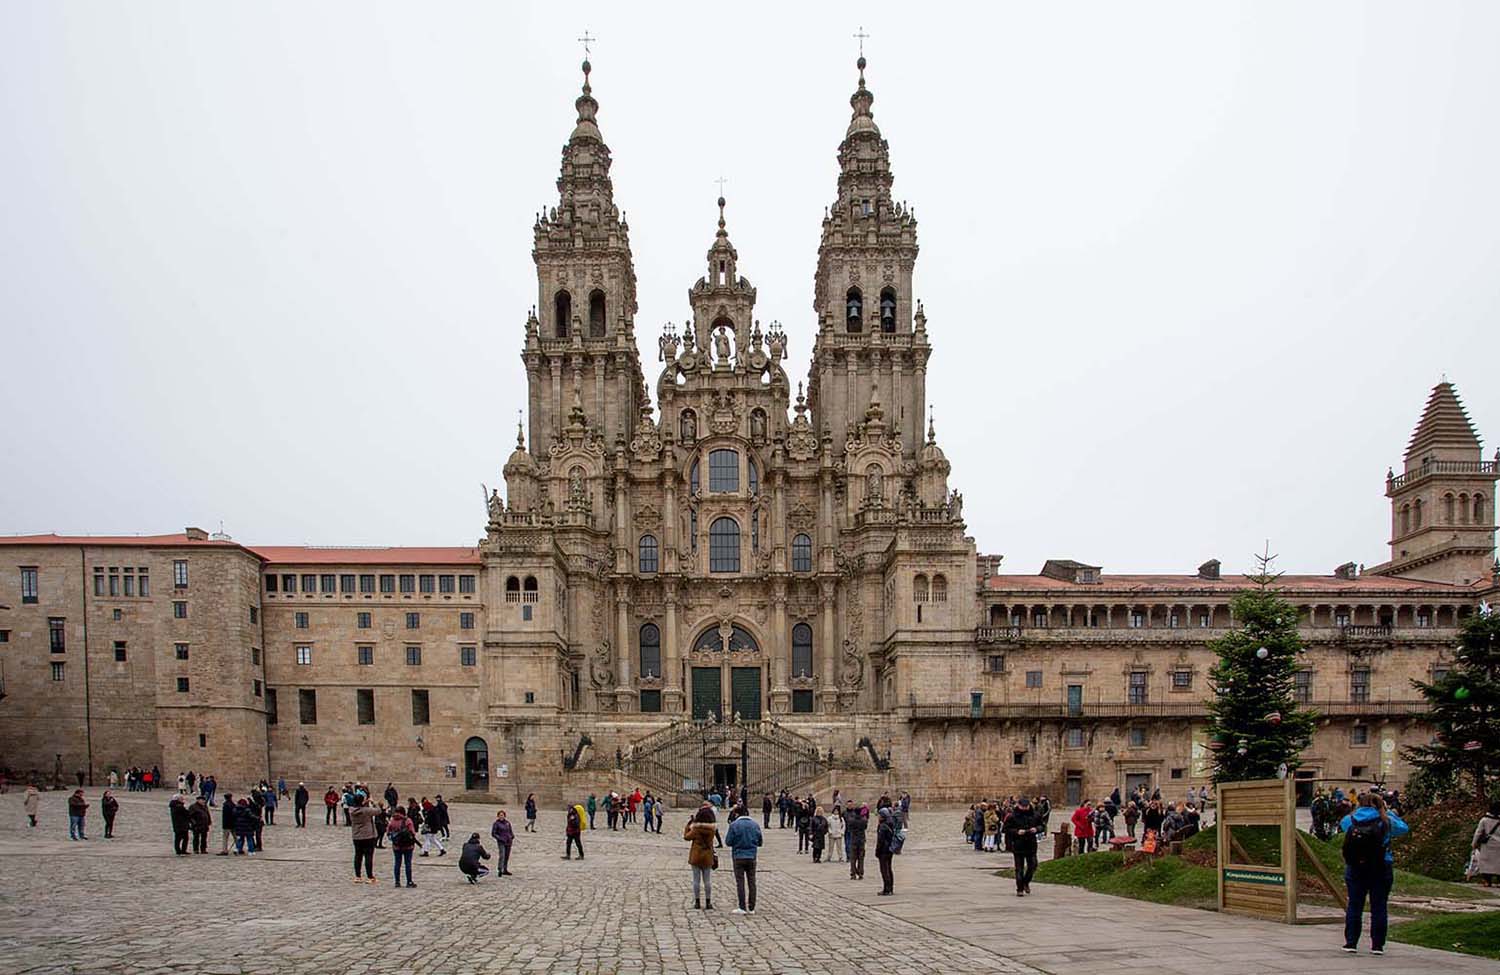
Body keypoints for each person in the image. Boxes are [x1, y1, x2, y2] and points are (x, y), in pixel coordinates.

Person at [1340, 791, 1409, 955]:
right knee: (1379, 906)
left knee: (1354, 904)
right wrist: (1388, 812)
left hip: (1356, 866)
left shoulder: (1351, 819)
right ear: (1380, 804)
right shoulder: (1386, 820)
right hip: (1381, 865)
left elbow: (1343, 826)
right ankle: (1377, 945)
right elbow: (1404, 828)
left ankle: (1351, 942)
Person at [725, 803, 763, 914]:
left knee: (740, 882)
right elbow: (760, 842)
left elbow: (728, 842)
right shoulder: (755, 825)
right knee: (752, 882)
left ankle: (742, 907)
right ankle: (751, 907)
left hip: (738, 856)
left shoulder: (734, 825)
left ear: (737, 814)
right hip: (751, 856)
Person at [684, 806, 719, 910]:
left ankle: (697, 902)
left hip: (696, 856)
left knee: (696, 880)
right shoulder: (712, 830)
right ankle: (708, 902)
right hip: (707, 856)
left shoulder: (696, 830)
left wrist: (688, 826)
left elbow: (686, 837)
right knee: (707, 880)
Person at [1005, 796, 1042, 895]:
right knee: (1019, 868)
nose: (1025, 808)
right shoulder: (1012, 816)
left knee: (1033, 865)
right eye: (1023, 806)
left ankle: (1026, 882)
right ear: (1019, 805)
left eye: (1026, 806)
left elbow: (1042, 825)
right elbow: (1006, 829)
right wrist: (1017, 831)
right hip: (1018, 844)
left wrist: (1037, 829)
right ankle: (1019, 888)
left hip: (1031, 844)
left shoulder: (1035, 815)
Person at [1472, 800, 1500, 887]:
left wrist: (1474, 843)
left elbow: (1478, 832)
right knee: (1498, 863)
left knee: (1486, 863)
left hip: (1487, 844)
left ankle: (1487, 881)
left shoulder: (1484, 820)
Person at [388, 806, 417, 887]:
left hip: (396, 846)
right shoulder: (407, 820)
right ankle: (409, 881)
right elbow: (412, 832)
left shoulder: (392, 821)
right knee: (408, 863)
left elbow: (388, 832)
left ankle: (397, 881)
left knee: (397, 863)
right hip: (408, 846)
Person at [875, 807, 897, 895]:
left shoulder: (883, 826)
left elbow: (880, 840)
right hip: (890, 850)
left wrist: (877, 851)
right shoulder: (890, 824)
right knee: (889, 869)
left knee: (884, 870)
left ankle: (887, 889)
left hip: (883, 851)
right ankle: (890, 888)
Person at [847, 804, 869, 880]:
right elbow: (865, 827)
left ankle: (853, 873)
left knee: (853, 858)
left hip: (854, 840)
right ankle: (860, 873)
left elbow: (849, 828)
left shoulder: (851, 820)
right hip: (862, 840)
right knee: (861, 858)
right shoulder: (864, 820)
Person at [490, 809, 515, 876]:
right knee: (502, 855)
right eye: (500, 815)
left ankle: (505, 869)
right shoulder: (496, 824)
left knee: (507, 856)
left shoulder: (507, 823)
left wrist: (512, 836)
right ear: (498, 816)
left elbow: (510, 830)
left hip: (508, 841)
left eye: (502, 815)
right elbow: (493, 833)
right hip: (501, 842)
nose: (501, 816)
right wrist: (500, 838)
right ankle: (500, 869)